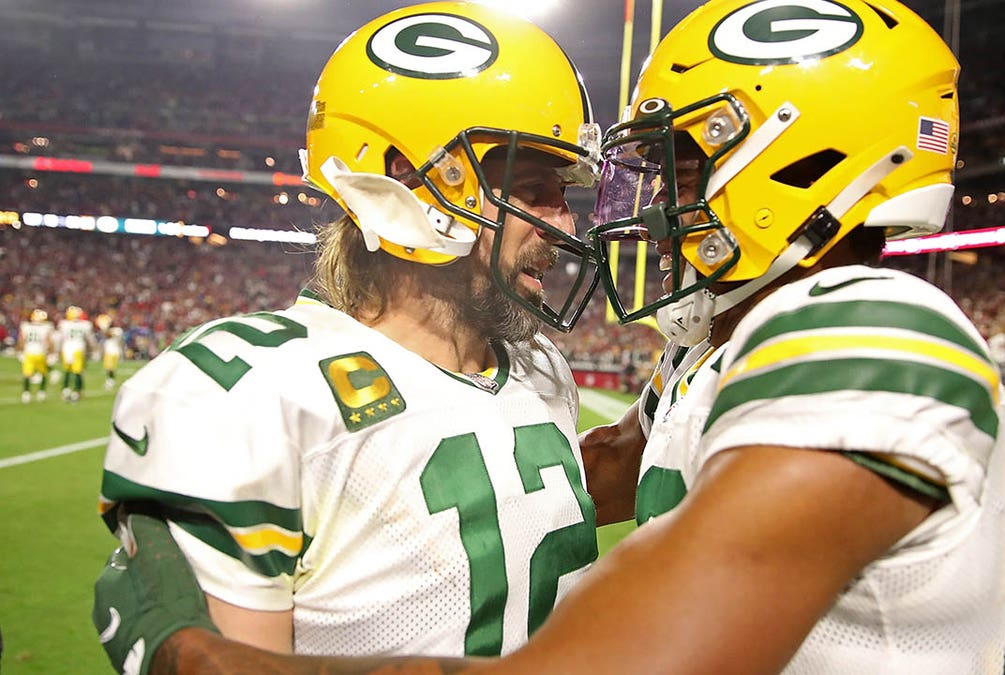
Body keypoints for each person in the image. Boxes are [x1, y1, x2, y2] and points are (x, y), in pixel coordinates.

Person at [95, 1, 1005, 672]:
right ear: (415, 177)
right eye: (535, 184)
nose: (642, 205)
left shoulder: (867, 329)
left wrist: (197, 659)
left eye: (684, 165)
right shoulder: (705, 353)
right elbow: (601, 468)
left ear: (789, 161)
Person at [94, 2, 622, 671]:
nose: (562, 223)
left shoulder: (538, 366)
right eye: (532, 187)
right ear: (409, 183)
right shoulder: (256, 391)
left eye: (564, 193)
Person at [58, 304, 95, 401]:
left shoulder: (64, 324)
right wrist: (92, 349)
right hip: (79, 348)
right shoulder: (85, 325)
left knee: (67, 371)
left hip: (67, 349)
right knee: (78, 371)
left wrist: (58, 350)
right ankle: (76, 392)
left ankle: (65, 390)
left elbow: (60, 339)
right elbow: (89, 339)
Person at [17, 308, 53, 403]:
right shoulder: (46, 327)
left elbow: (22, 340)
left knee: (27, 374)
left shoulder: (26, 326)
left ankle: (26, 394)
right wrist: (51, 353)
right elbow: (48, 341)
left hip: (29, 352)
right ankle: (41, 393)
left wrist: (20, 351)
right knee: (43, 373)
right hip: (40, 352)